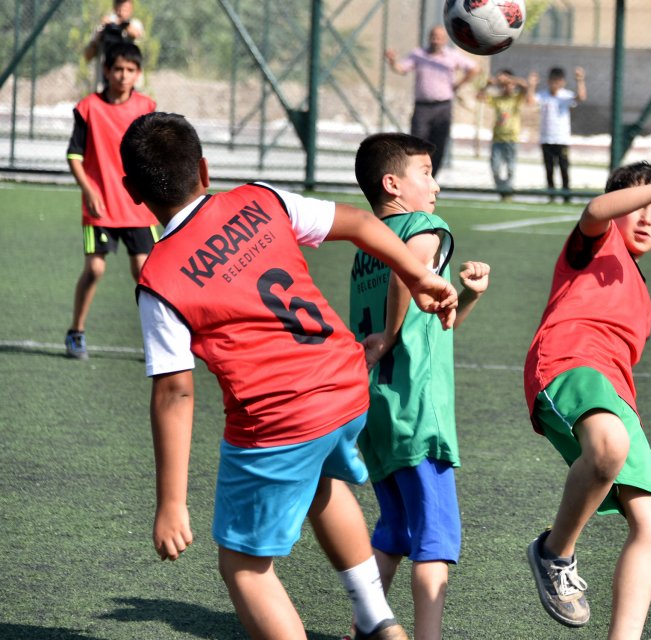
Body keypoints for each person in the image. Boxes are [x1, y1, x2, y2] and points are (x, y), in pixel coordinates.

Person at [123, 112, 460, 640]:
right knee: (322, 479)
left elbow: (174, 392)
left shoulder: (160, 278)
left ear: (131, 191)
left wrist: (170, 502)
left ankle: (372, 619)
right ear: (205, 170)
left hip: (277, 419)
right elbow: (364, 224)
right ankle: (376, 620)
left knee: (242, 566)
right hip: (344, 385)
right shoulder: (259, 199)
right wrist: (418, 274)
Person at [523, 162, 651, 639]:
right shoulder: (596, 244)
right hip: (569, 364)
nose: (647, 217)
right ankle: (555, 552)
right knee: (609, 447)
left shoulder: (639, 286)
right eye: (638, 204)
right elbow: (595, 210)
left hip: (615, 392)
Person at [347, 132, 491, 640]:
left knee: (393, 532)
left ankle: (364, 628)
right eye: (425, 172)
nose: (434, 184)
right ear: (392, 184)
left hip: (377, 409)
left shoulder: (367, 244)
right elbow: (407, 275)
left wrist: (466, 297)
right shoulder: (425, 226)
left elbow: (432, 324)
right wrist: (388, 335)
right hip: (417, 409)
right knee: (434, 543)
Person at [65, 42, 156, 359]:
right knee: (95, 269)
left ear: (138, 73)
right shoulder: (89, 107)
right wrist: (89, 190)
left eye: (130, 70)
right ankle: (76, 332)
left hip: (138, 208)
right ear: (106, 70)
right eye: (118, 69)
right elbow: (74, 155)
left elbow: (155, 153)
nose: (123, 75)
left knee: (147, 273)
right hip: (100, 206)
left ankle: (157, 340)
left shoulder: (146, 107)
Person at [385, 26, 478, 179]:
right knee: (416, 145)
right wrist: (393, 61)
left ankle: (431, 179)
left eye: (439, 37)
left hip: (443, 107)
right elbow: (401, 69)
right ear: (429, 37)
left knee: (438, 146)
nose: (436, 40)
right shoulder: (419, 54)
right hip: (423, 107)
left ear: (445, 39)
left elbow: (474, 68)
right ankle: (416, 177)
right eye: (433, 36)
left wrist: (459, 84)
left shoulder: (452, 56)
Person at [532, 67, 586, 203]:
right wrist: (531, 85)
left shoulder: (566, 95)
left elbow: (581, 97)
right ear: (549, 81)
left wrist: (580, 80)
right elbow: (530, 101)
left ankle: (566, 194)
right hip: (546, 138)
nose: (555, 84)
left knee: (564, 167)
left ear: (563, 82)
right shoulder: (543, 95)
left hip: (562, 139)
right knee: (549, 168)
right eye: (552, 81)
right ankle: (551, 195)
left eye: (558, 81)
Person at [478, 69, 534, 198]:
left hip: (512, 139)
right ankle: (501, 190)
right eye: (504, 84)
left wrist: (508, 79)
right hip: (497, 139)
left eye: (509, 84)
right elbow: (479, 96)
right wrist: (488, 85)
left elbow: (525, 85)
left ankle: (508, 191)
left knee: (510, 168)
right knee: (495, 168)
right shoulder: (497, 99)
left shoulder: (516, 98)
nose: (507, 86)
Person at [83, 0, 145, 89]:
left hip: (130, 86)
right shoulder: (103, 27)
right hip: (104, 84)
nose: (121, 11)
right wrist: (100, 34)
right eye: (119, 7)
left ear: (131, 9)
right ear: (114, 8)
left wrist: (123, 24)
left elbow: (136, 33)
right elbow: (87, 56)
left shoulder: (134, 24)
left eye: (125, 8)